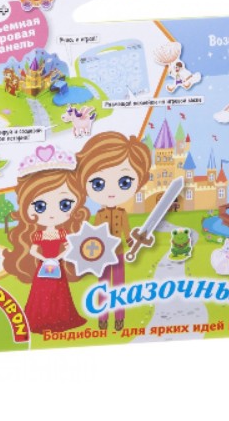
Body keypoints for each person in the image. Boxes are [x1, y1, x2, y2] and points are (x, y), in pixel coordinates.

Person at [3, 145, 88, 334]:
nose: (51, 214)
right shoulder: (38, 235)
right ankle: (40, 320)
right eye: (40, 206)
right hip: (44, 269)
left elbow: (68, 247)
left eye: (64, 204)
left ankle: (60, 318)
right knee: (42, 293)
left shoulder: (62, 233)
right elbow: (33, 250)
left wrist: (58, 258)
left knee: (59, 293)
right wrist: (45, 259)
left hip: (57, 267)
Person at [77, 132, 151, 331]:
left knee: (118, 286)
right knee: (102, 285)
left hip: (118, 254)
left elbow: (127, 233)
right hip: (100, 255)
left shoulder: (122, 214)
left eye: (124, 183)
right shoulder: (99, 215)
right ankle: (102, 317)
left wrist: (135, 242)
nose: (111, 192)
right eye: (98, 184)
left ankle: (119, 318)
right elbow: (93, 235)